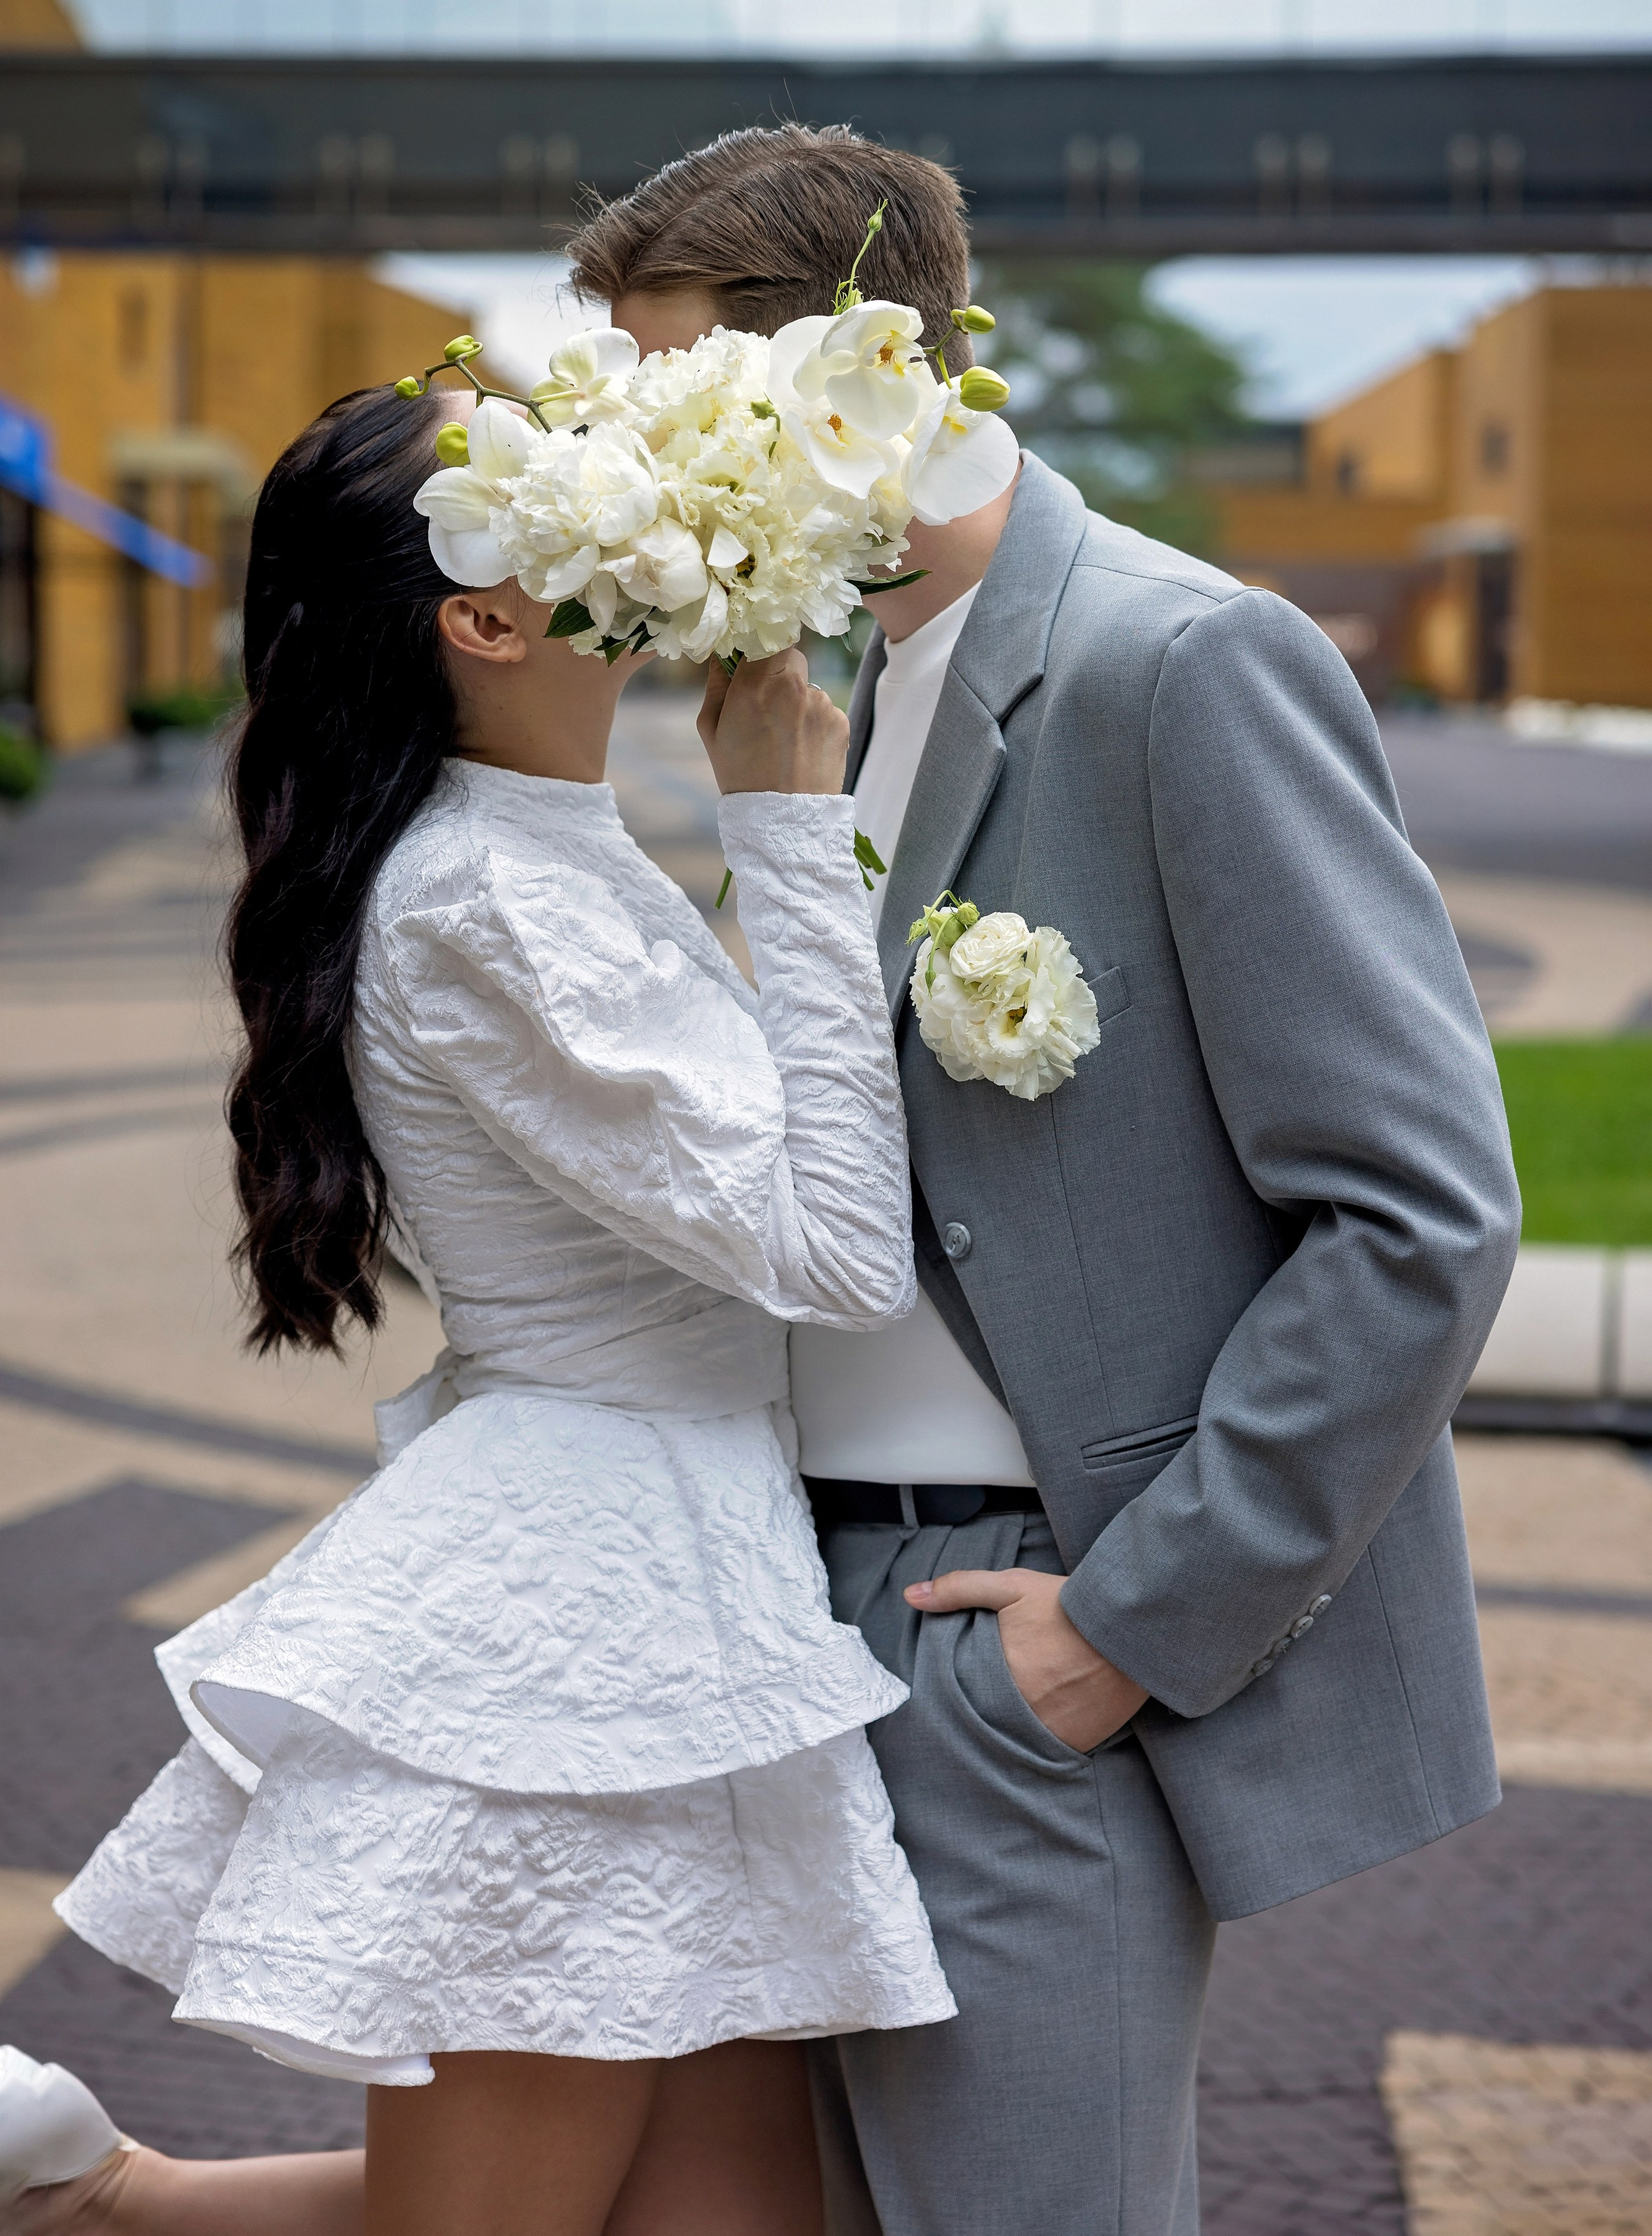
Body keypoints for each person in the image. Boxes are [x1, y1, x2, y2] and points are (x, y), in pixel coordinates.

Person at [567, 121, 1523, 2236]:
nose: (632, 461)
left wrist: (1118, 1633)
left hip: (1015, 1642)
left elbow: (1423, 1212)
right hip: (788, 1627)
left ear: (858, 376)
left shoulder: (1179, 665)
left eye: (669, 397)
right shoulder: (829, 697)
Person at [0, 381, 954, 2236]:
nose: (638, 472)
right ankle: (97, 2199)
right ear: (489, 616)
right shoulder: (484, 900)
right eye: (572, 468)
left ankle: (91, 2193)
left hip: (678, 1574)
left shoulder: (532, 845)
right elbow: (836, 1254)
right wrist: (789, 830)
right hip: (573, 1620)